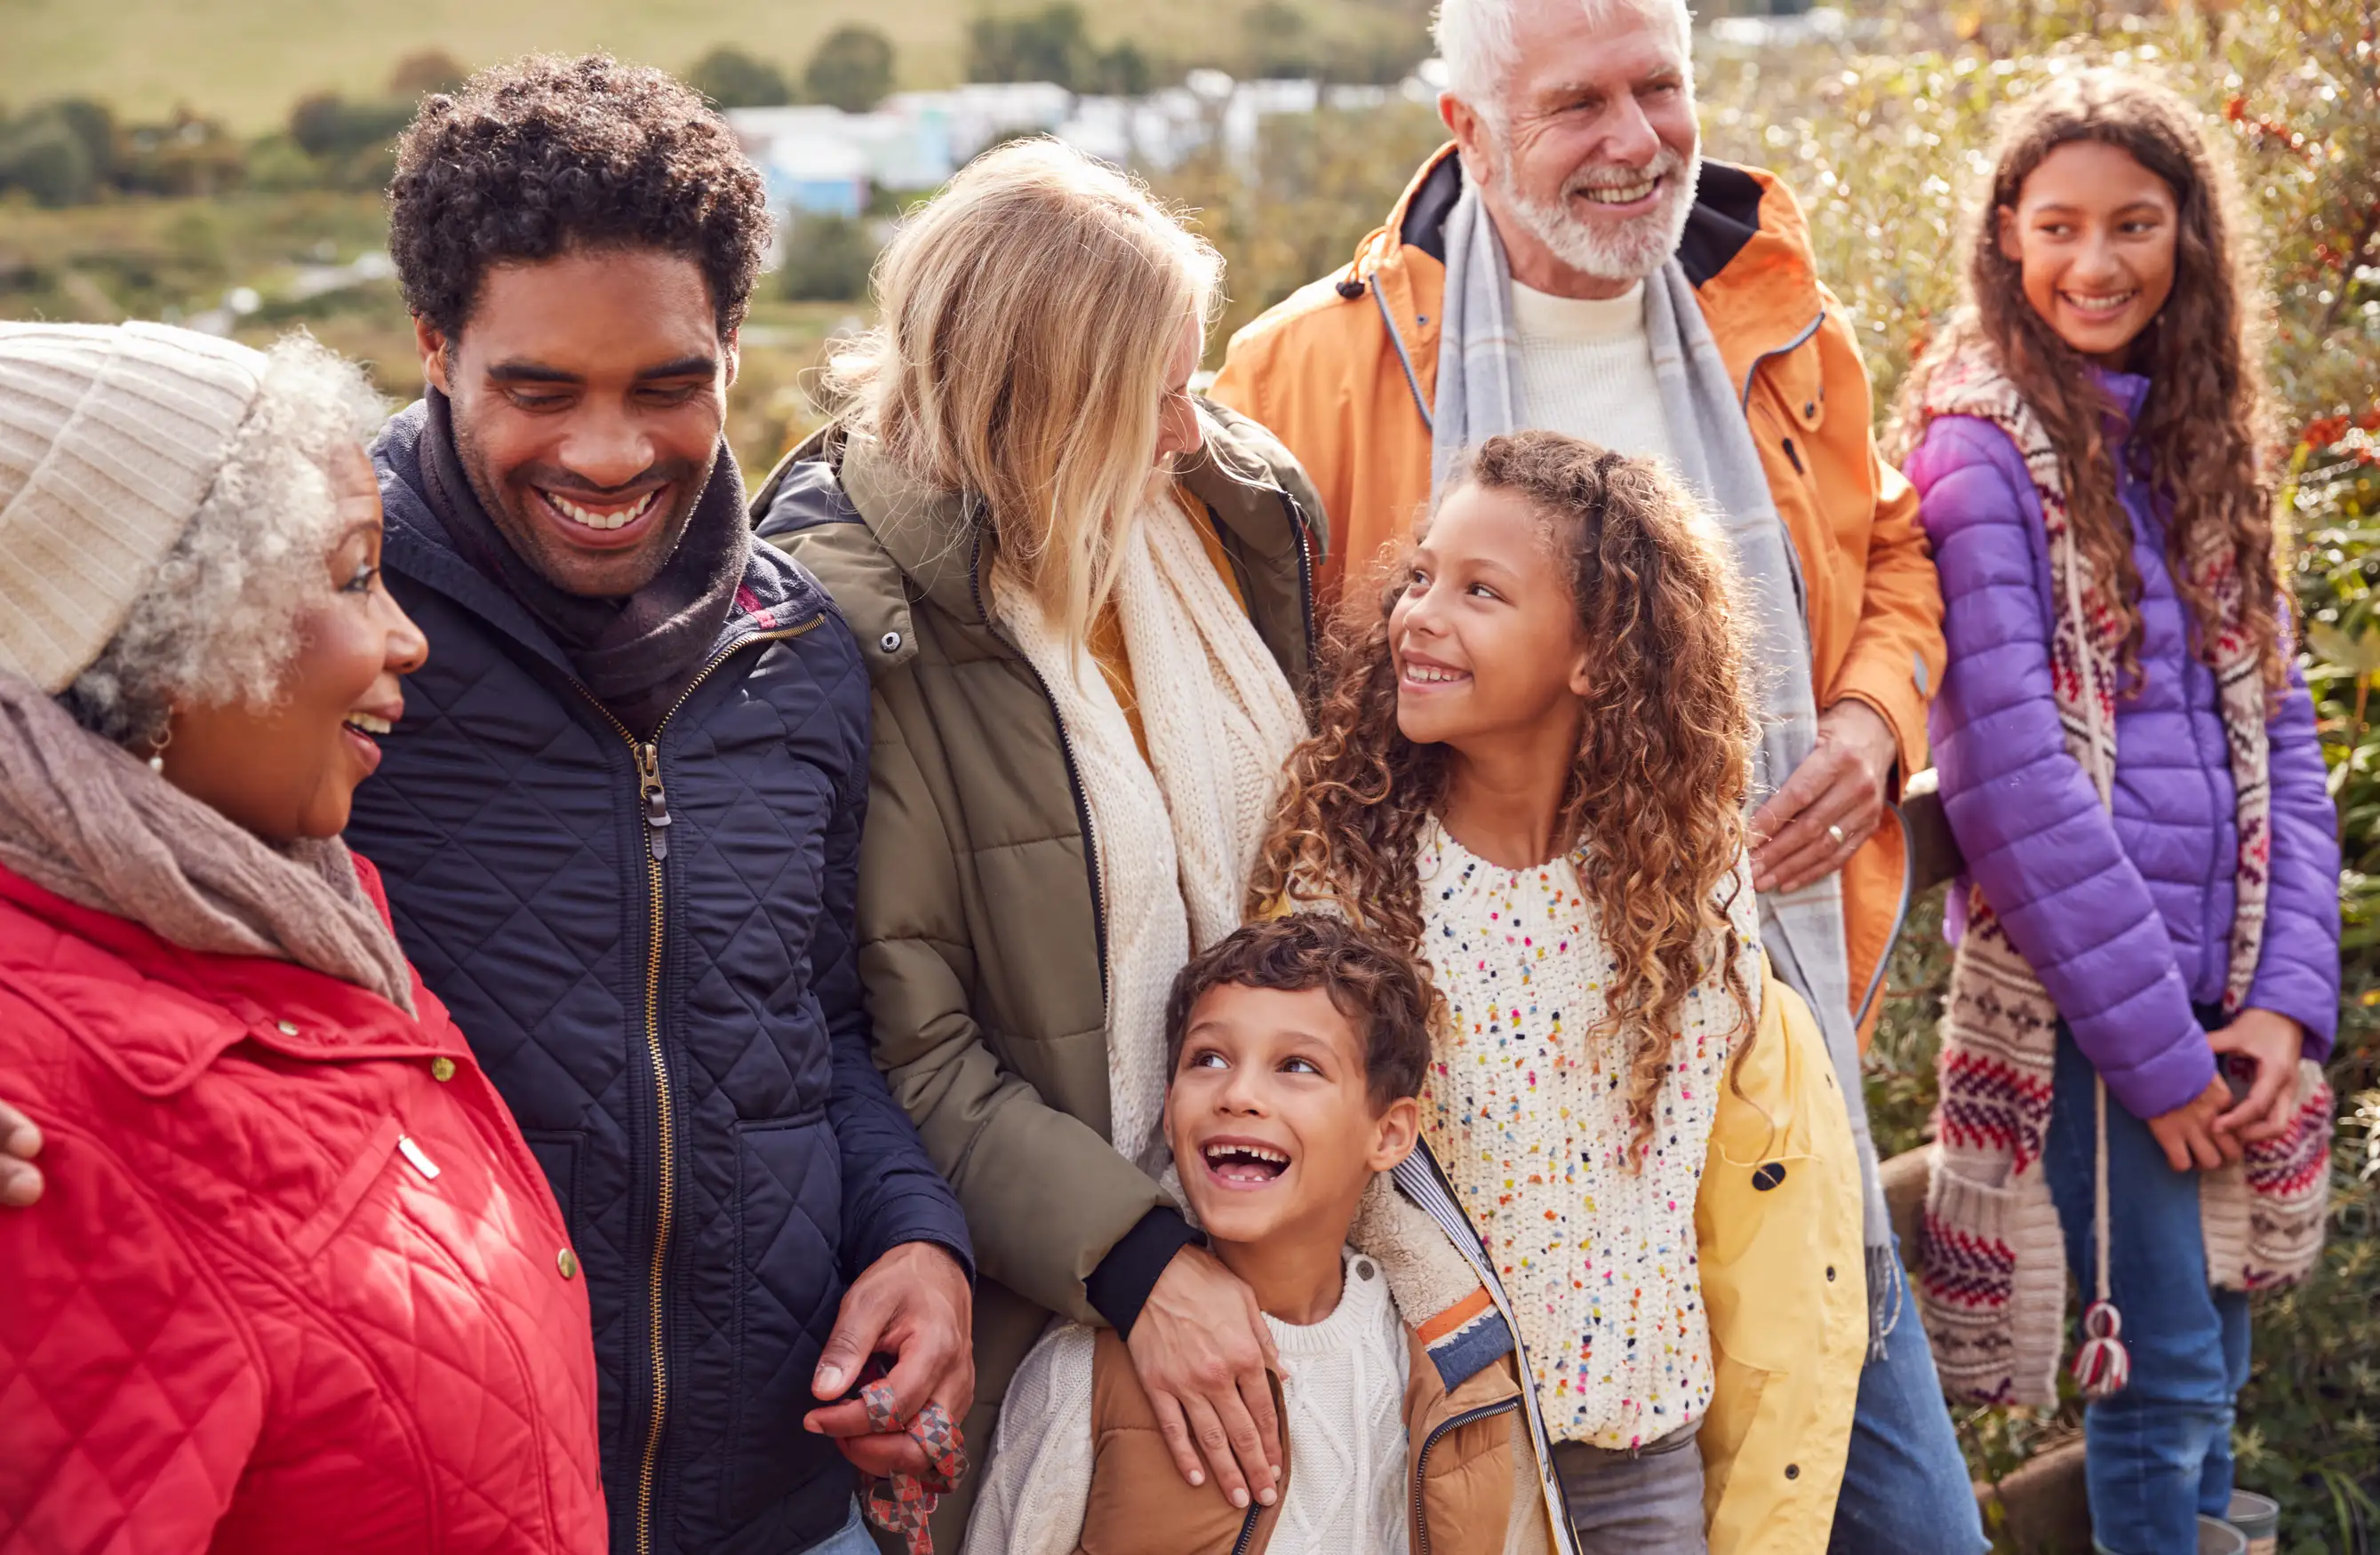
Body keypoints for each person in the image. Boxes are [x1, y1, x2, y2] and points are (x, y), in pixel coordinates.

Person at [1205, 0, 1975, 1546]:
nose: (1634, 141)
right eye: (1576, 105)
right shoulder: (1309, 366)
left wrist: (1871, 720)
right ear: (1467, 133)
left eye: (1658, 90)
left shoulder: (1779, 321)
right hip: (1464, 1129)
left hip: (1745, 1057)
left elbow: (1890, 550)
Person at [355, 57, 973, 1555]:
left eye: (667, 384)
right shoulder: (321, 644)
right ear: (436, 349)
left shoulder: (801, 653)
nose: (612, 453)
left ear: (731, 346)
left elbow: (811, 1030)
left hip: (782, 1510)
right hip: (450, 1509)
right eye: (539, 389)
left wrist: (917, 1240)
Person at [753, 139, 1326, 1543]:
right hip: (1045, 1294)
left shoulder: (1219, 515)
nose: (1193, 428)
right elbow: (903, 1042)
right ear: (1043, 409)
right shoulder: (848, 621)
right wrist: (1136, 1262)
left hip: (1286, 1211)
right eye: (1158, 394)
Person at [0, 322, 603, 1551]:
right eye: (348, 575)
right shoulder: (36, 1115)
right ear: (157, 642)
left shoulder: (295, 914)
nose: (404, 636)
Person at [1250, 432, 1864, 1554]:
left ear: (1597, 652)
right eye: (1422, 574)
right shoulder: (1344, 879)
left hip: (1639, 1459)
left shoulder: (1689, 878)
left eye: (1480, 591)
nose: (1419, 614)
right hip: (1437, 1450)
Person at [1895, 70, 2338, 1555]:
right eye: (2059, 226)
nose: (2095, 264)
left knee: (2224, 1363)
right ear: (2005, 238)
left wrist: (2283, 1006)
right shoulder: (1977, 453)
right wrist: (2157, 1059)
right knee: (2156, 1377)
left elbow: (2282, 729)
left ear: (2186, 239)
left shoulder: (2195, 442)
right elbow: (2008, 780)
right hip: (2102, 1020)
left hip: (2223, 1006)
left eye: (2133, 225)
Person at [965, 914, 1545, 1555]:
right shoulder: (1088, 1370)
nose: (1238, 1094)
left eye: (1296, 1066)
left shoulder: (1453, 1375)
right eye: (1208, 1059)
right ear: (1167, 1105)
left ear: (1389, 1134)